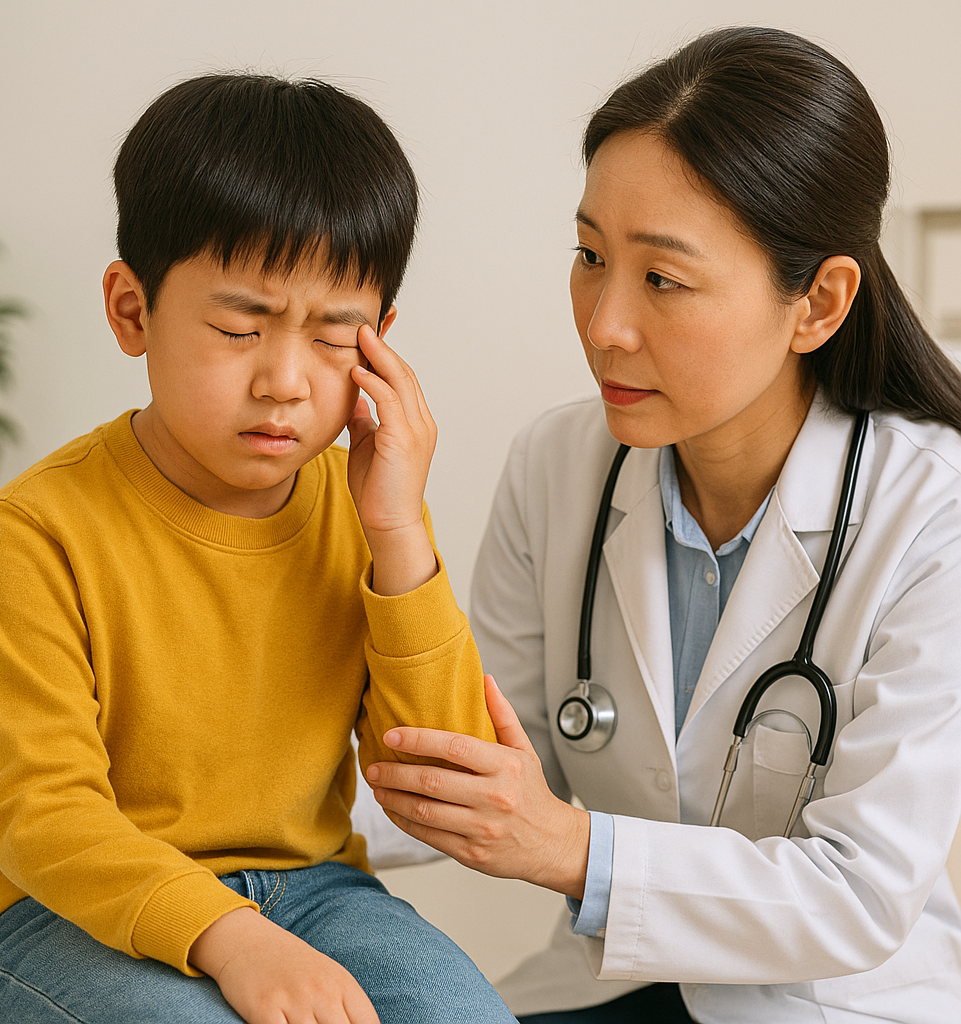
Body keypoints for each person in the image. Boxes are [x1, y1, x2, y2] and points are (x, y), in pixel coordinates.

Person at [363, 26, 961, 1023]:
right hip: (607, 990)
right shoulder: (558, 466)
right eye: (589, 255)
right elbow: (474, 758)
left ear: (818, 302)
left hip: (837, 1003)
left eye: (662, 279)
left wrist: (568, 847)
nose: (602, 322)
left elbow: (857, 895)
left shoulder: (932, 511)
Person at [0, 73, 518, 1024]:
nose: (285, 382)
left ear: (381, 343)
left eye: (336, 337)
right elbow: (38, 817)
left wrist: (398, 531)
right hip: (61, 908)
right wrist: (232, 937)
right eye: (237, 328)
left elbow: (441, 770)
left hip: (313, 891)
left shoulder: (361, 511)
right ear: (132, 311)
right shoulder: (36, 528)